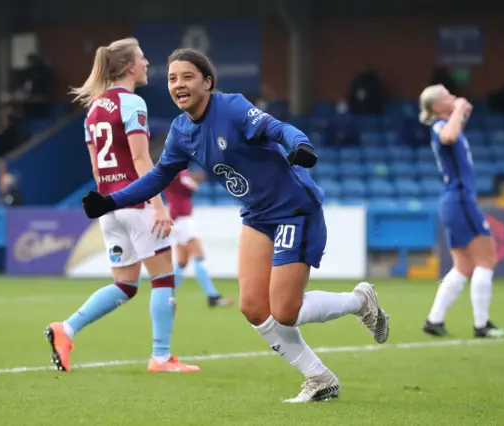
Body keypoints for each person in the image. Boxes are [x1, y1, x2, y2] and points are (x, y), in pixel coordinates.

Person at [80, 48, 390, 403]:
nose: (177, 84)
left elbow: (276, 128)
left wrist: (299, 144)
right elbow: (158, 176)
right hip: (256, 217)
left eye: (187, 77)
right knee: (254, 307)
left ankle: (359, 301)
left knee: (285, 312)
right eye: (171, 79)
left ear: (208, 83)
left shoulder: (231, 108)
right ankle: (319, 377)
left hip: (294, 211)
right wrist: (111, 201)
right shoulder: (181, 131)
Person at [45, 38, 199, 374]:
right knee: (163, 279)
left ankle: (66, 329)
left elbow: (97, 169)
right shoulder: (132, 104)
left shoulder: (94, 108)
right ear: (130, 66)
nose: (146, 63)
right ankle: (160, 358)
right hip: (136, 201)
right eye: (142, 58)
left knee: (126, 284)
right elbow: (142, 157)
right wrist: (157, 205)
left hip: (108, 205)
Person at [418, 84, 504, 339]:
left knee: (463, 264)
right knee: (486, 258)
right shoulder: (440, 126)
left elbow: (455, 130)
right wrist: (459, 108)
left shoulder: (444, 124)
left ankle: (434, 320)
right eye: (448, 96)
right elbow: (448, 136)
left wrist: (461, 111)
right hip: (460, 200)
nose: (453, 97)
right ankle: (482, 325)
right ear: (438, 106)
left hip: (453, 201)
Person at [164, 169, 234, 307]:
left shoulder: (170, 169)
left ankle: (167, 296)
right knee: (199, 257)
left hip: (175, 218)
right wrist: (196, 178)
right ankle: (212, 296)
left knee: (182, 262)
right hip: (183, 219)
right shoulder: (179, 170)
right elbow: (191, 187)